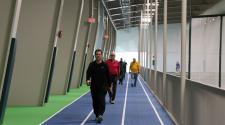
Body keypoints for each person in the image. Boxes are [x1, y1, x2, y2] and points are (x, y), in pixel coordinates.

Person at [86, 49, 110, 123]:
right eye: (97, 54)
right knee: (95, 101)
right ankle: (96, 114)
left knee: (101, 100)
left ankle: (100, 114)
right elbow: (88, 73)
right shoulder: (92, 64)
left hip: (103, 87)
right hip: (94, 86)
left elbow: (108, 76)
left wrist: (109, 85)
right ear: (95, 55)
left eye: (99, 54)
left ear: (101, 55)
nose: (98, 55)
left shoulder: (105, 65)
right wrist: (87, 80)